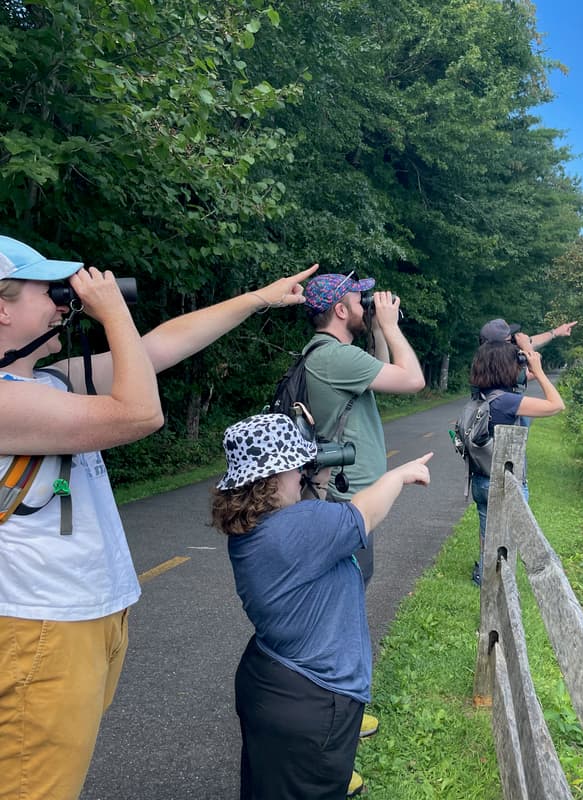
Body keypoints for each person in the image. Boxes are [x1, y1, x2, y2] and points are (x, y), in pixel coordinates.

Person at [0, 233, 316, 800]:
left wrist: (256, 299)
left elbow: (157, 348)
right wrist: (111, 310)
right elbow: (139, 413)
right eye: (47, 290)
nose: (60, 302)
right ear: (1, 306)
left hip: (80, 617)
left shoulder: (45, 381)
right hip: (38, 624)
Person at [211, 413, 432, 800]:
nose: (302, 471)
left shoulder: (254, 526)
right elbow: (362, 512)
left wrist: (312, 479)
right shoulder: (297, 528)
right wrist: (398, 475)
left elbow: (311, 521)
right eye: (296, 465)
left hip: (272, 681)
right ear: (272, 477)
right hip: (313, 695)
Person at [300, 271, 425, 794]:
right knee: (336, 626)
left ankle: (342, 722)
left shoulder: (332, 355)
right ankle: (325, 754)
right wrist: (392, 325)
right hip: (345, 506)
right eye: (358, 297)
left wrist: (377, 325)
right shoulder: (332, 356)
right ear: (339, 310)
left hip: (347, 501)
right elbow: (412, 379)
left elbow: (383, 370)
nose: (366, 301)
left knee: (345, 614)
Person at [468, 340, 565, 586]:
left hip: (481, 478)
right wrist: (540, 371)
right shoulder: (506, 402)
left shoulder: (482, 396)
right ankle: (499, 584)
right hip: (504, 482)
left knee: (487, 530)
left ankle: (485, 574)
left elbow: (517, 384)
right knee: (508, 540)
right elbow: (556, 405)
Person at [479, 317, 578, 353]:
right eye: (511, 340)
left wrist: (555, 332)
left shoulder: (486, 362)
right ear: (500, 347)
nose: (514, 343)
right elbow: (534, 372)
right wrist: (528, 350)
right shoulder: (500, 369)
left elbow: (532, 341)